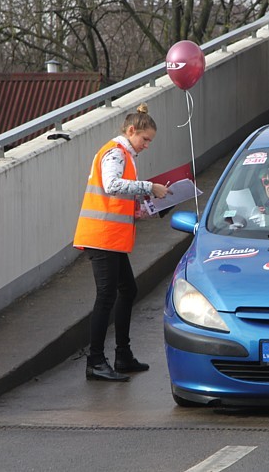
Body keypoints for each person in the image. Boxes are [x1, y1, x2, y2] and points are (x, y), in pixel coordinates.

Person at [73, 103, 170, 382]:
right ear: (131, 131)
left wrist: (142, 208)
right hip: (102, 237)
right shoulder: (116, 153)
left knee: (127, 290)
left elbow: (116, 197)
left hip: (109, 238)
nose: (147, 145)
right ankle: (95, 360)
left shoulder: (123, 153)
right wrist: (149, 187)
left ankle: (122, 354)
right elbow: (112, 186)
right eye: (145, 139)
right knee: (108, 296)